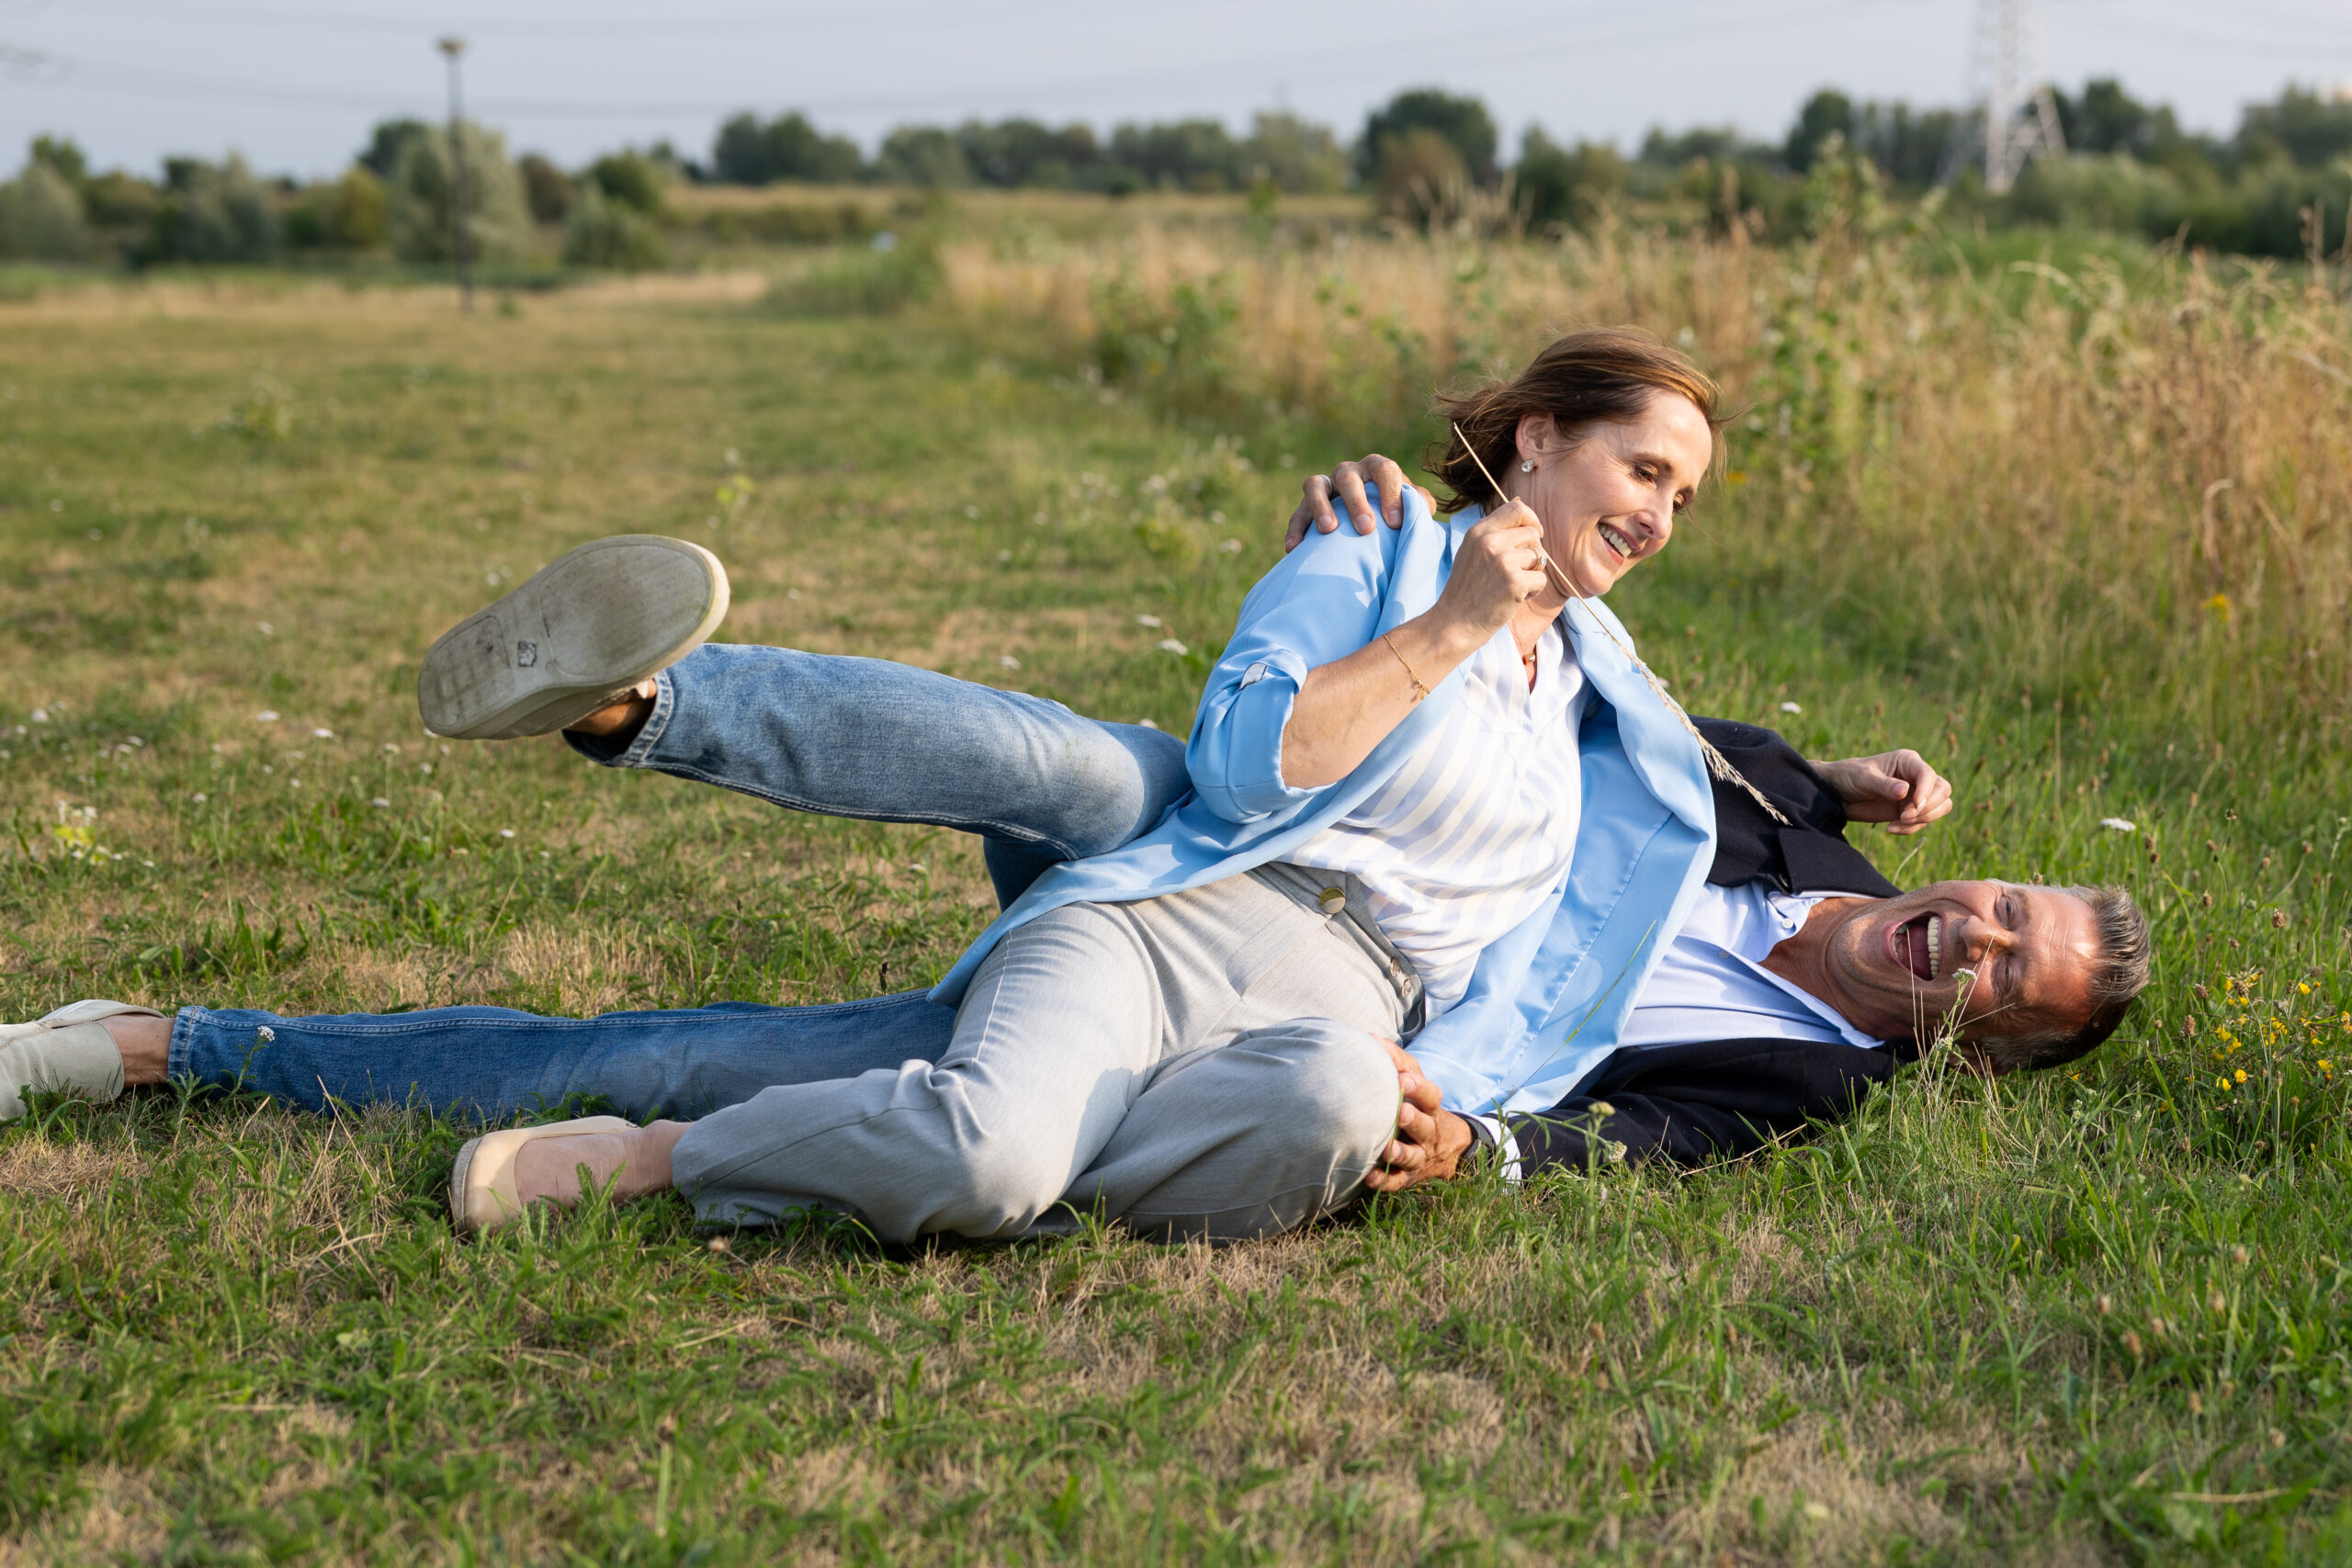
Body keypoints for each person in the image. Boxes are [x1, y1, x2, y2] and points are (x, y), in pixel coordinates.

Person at [0, 330, 2152, 1244]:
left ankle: (189, 1043)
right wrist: (1443, 607)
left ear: (1974, 1046)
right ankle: (634, 704)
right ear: (1537, 442)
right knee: (1057, 759)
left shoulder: (1790, 1038)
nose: (1967, 941)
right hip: (1219, 843)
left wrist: (1477, 1143)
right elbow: (1706, 770)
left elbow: (1636, 1117)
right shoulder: (1448, 588)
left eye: (2002, 982)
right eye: (2004, 909)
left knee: (716, 1056)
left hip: (1344, 993)